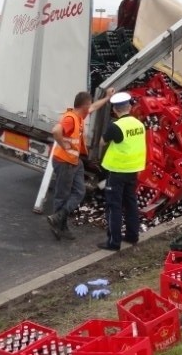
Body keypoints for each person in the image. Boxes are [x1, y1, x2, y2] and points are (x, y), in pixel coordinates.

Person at [47, 88, 114, 241]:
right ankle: (59, 226)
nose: (89, 110)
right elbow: (56, 130)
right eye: (87, 107)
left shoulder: (79, 116)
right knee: (62, 195)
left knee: (79, 191)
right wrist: (63, 144)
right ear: (83, 107)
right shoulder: (71, 118)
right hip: (65, 162)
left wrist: (107, 97)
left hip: (75, 162)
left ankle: (58, 218)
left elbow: (94, 107)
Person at [97, 92, 147, 251]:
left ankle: (114, 242)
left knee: (114, 206)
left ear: (115, 110)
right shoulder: (139, 124)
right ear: (130, 107)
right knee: (131, 203)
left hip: (117, 171)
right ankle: (133, 236)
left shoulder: (116, 126)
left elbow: (102, 142)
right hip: (133, 170)